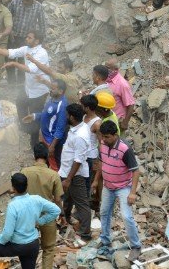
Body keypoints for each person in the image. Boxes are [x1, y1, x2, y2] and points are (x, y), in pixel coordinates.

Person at [0, 173, 60, 269]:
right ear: (26, 186)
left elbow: (8, 234)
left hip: (18, 245)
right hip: (33, 245)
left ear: (13, 188)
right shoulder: (36, 199)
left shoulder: (13, 205)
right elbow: (56, 210)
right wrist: (40, 221)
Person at [92, 120, 142, 261]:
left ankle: (136, 245)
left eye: (107, 137)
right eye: (102, 136)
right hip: (108, 186)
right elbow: (101, 162)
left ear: (115, 135)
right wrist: (96, 180)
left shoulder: (125, 149)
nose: (103, 139)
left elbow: (136, 171)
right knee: (104, 212)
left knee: (126, 216)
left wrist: (132, 192)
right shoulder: (103, 144)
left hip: (123, 187)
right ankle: (106, 239)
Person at [20, 144, 63, 269]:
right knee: (49, 248)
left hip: (29, 216)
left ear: (34, 156)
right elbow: (58, 199)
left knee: (27, 247)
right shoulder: (53, 175)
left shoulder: (24, 172)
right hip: (47, 216)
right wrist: (62, 215)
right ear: (47, 156)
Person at [58, 103, 92, 241]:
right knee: (67, 200)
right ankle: (65, 221)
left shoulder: (80, 136)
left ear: (72, 117)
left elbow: (78, 160)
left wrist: (68, 179)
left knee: (82, 204)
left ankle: (85, 234)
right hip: (66, 173)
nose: (65, 117)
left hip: (74, 176)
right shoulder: (76, 129)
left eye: (67, 115)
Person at [22, 78, 67, 170]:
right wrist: (34, 116)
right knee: (46, 161)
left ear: (60, 91)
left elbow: (60, 129)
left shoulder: (62, 106)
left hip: (51, 141)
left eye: (53, 89)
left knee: (55, 165)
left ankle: (56, 182)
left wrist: (52, 146)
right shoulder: (53, 98)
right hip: (45, 137)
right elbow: (47, 114)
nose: (50, 90)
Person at [6, 0, 46, 85]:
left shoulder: (38, 7)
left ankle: (20, 83)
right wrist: (8, 31)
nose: (26, 2)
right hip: (13, 35)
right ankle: (11, 82)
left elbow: (42, 24)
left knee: (23, 61)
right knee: (10, 57)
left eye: (28, 0)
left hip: (27, 39)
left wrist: (42, 41)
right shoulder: (14, 3)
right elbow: (7, 17)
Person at [104, 59, 136, 132]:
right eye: (105, 67)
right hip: (107, 119)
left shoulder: (122, 84)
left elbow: (131, 104)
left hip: (117, 121)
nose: (105, 69)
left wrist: (125, 122)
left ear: (116, 69)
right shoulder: (107, 79)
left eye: (108, 68)